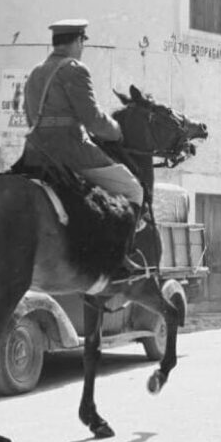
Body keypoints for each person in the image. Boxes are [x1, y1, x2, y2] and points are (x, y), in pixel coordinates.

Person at [18, 18, 145, 271]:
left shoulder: (35, 73)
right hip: (70, 150)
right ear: (77, 41)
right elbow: (93, 120)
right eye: (82, 42)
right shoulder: (74, 69)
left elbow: (29, 114)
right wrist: (116, 130)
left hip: (35, 151)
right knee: (133, 189)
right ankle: (119, 261)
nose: (82, 47)